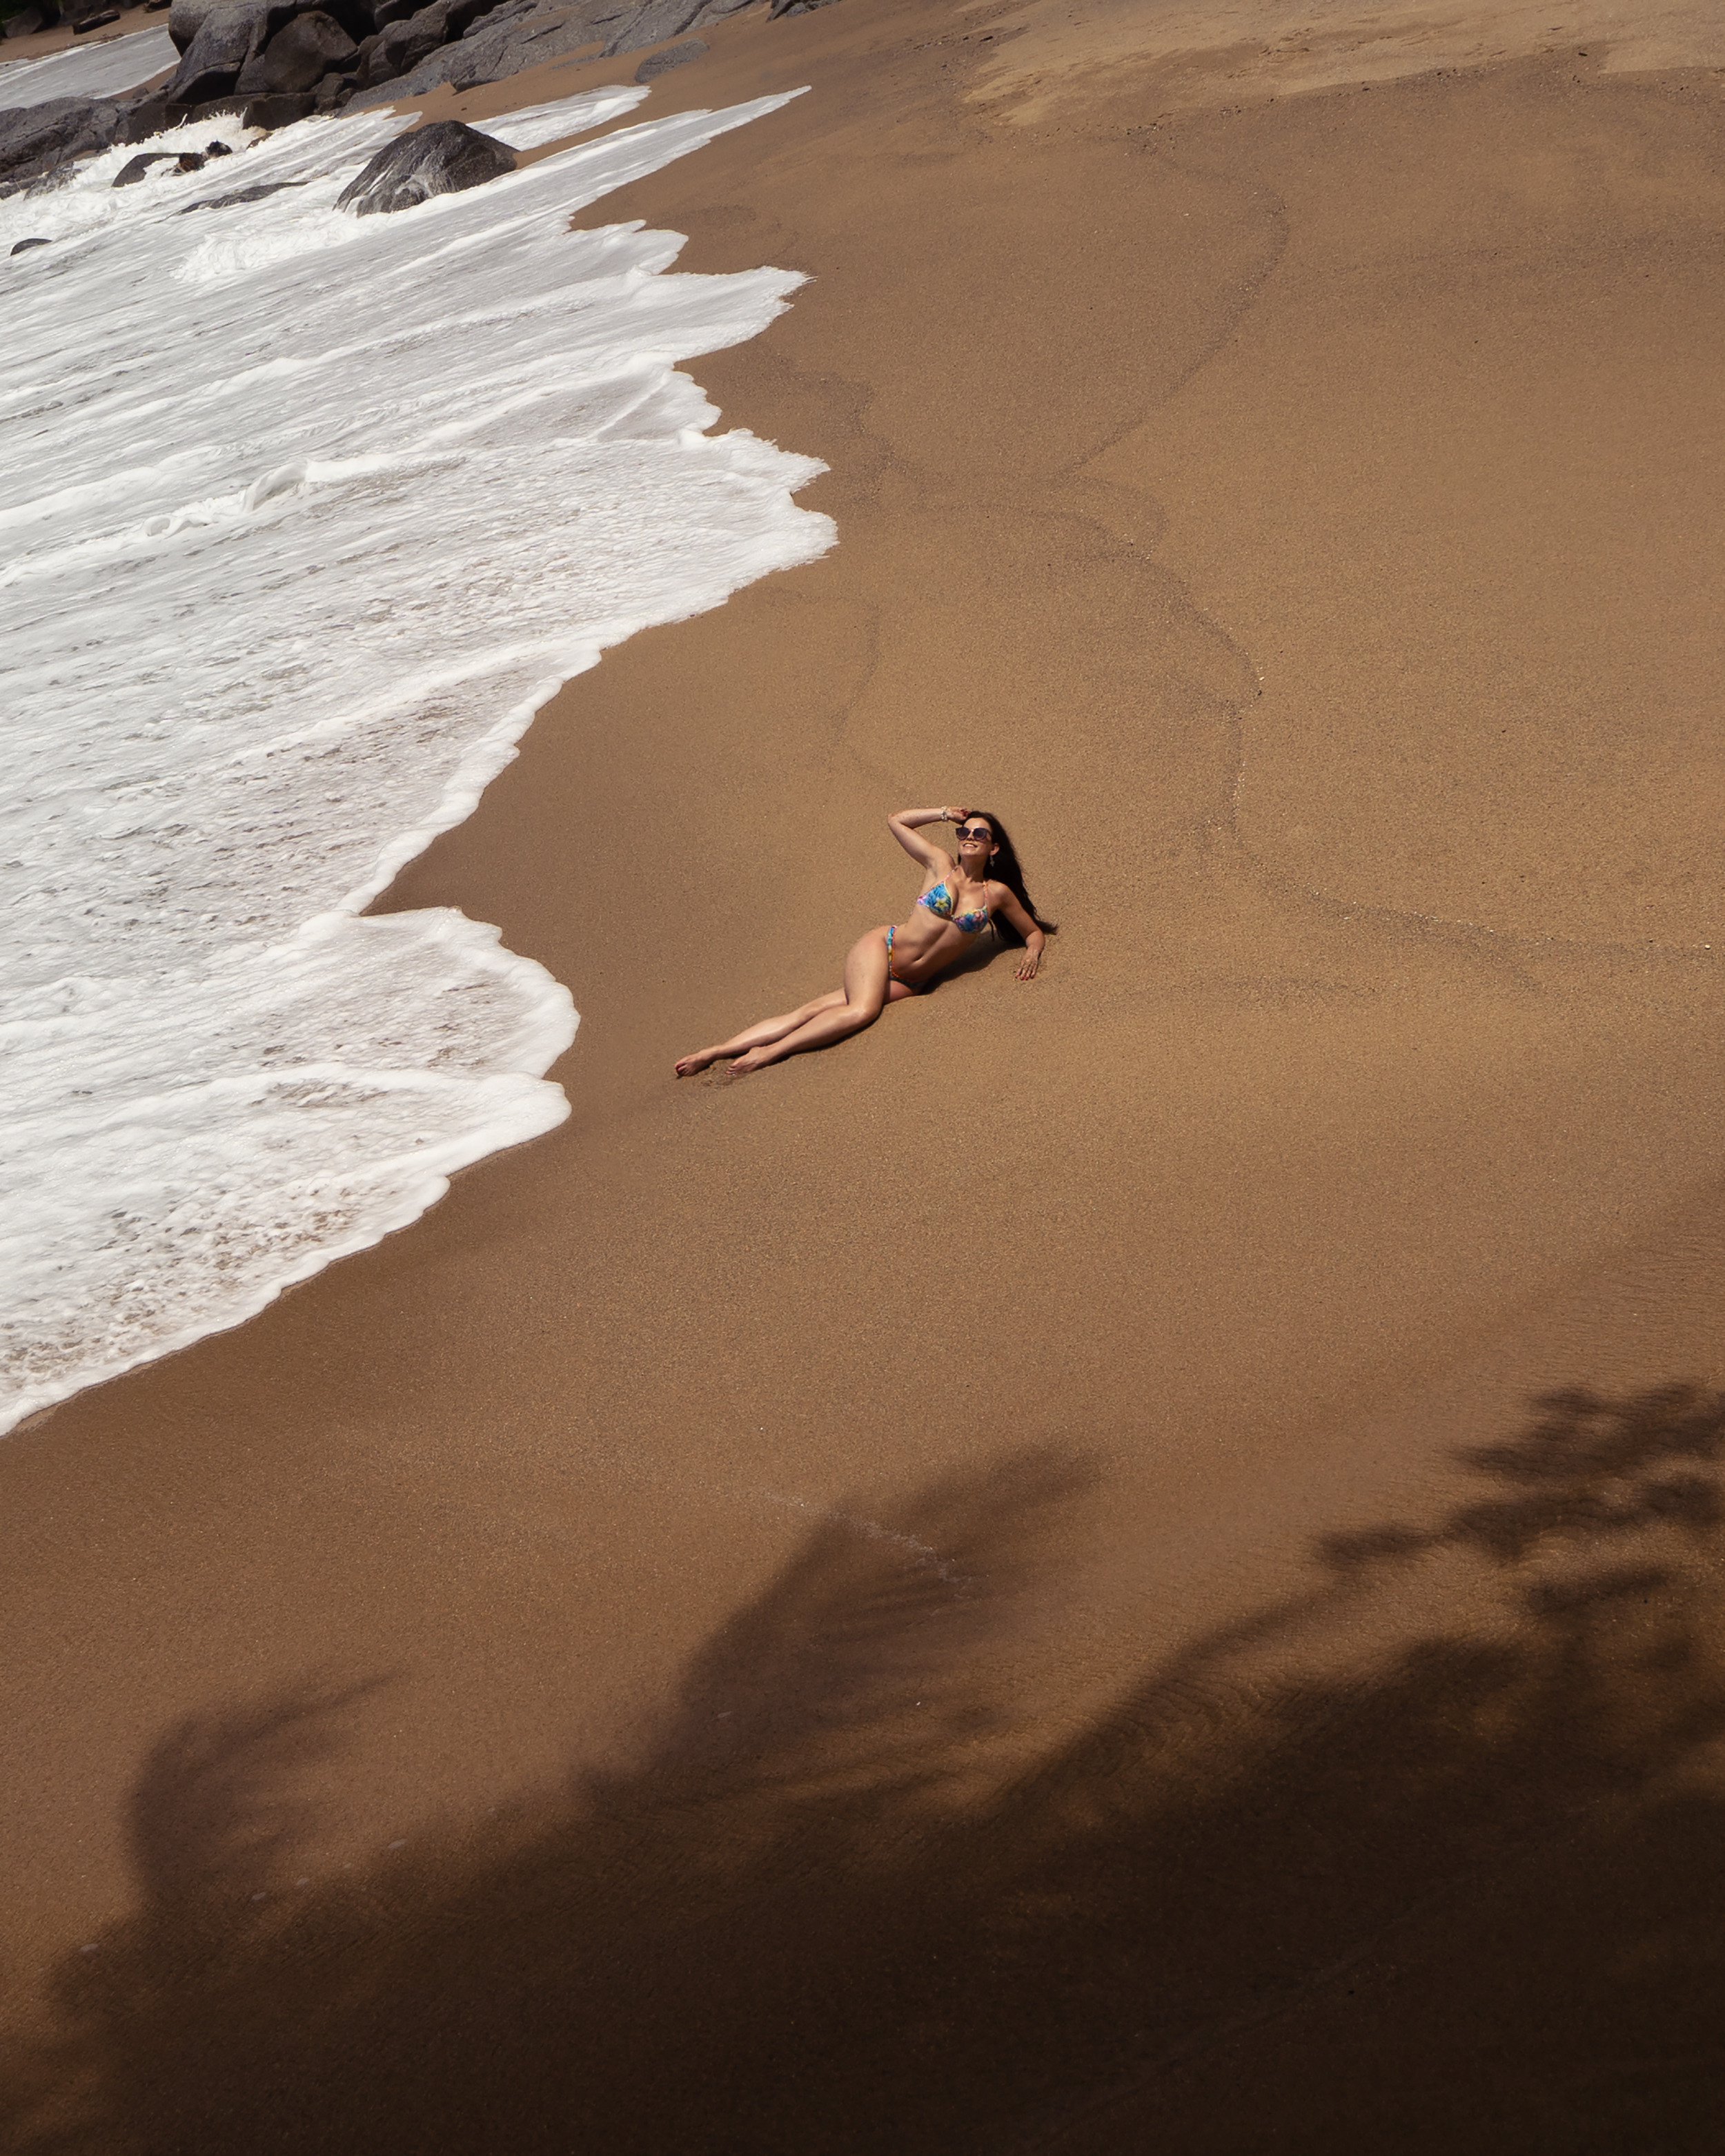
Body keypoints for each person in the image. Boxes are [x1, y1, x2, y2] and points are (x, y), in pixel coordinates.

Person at [674, 806, 1054, 1077]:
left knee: (813, 1011)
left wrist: (1033, 953)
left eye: (979, 834)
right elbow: (896, 820)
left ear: (995, 847)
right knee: (861, 1013)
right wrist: (944, 813)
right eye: (964, 832)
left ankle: (729, 1051)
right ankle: (757, 1053)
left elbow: (1031, 932)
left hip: (913, 982)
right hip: (883, 948)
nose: (969, 838)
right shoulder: (940, 865)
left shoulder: (997, 894)